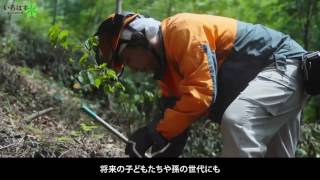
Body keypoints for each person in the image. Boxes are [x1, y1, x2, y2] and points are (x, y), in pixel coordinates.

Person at [95, 12, 308, 157]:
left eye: (129, 60)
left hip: (283, 63)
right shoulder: (168, 69)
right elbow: (175, 109)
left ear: (138, 39)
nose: (133, 69)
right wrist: (163, 142)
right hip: (279, 73)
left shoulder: (180, 30)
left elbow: (201, 95)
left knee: (238, 121)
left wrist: (154, 133)